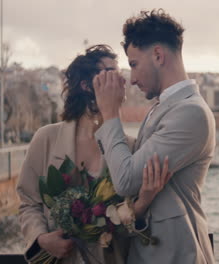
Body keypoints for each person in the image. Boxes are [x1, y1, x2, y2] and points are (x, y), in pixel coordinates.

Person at [16, 45, 171, 264]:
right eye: (111, 73)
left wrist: (143, 203)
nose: (121, 81)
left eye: (120, 74)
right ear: (86, 85)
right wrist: (41, 238)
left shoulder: (132, 147)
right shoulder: (46, 139)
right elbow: (28, 202)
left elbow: (132, 227)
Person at [93, 9, 216, 264]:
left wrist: (110, 113)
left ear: (158, 55)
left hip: (178, 255)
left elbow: (126, 179)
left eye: (134, 65)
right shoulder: (161, 109)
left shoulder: (191, 113)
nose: (133, 79)